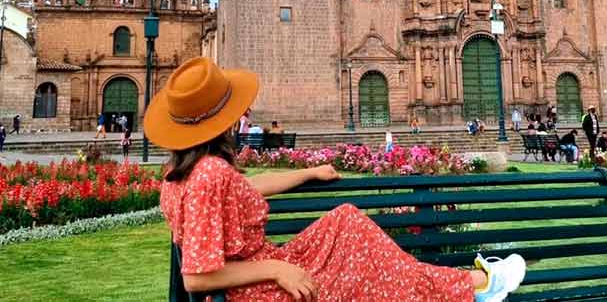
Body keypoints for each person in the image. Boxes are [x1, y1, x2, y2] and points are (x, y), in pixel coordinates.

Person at [146, 57, 526, 302]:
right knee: (367, 272)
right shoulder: (209, 174)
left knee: (347, 223)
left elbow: (244, 190)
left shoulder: (182, 174)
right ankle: (475, 286)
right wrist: (278, 269)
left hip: (259, 273)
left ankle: (471, 285)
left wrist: (307, 172)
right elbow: (195, 278)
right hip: (251, 290)